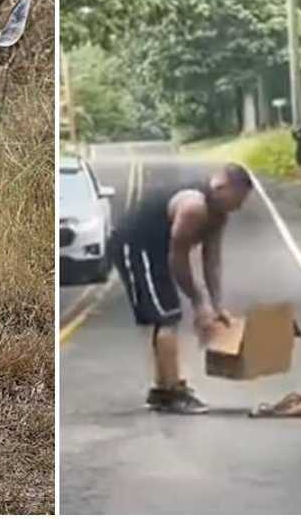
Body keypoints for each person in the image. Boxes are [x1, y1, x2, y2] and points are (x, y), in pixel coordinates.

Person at [109, 162, 254, 414]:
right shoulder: (193, 208)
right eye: (237, 199)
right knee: (167, 316)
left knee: (167, 316)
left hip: (158, 250)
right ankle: (172, 391)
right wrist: (199, 302)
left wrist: (216, 305)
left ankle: (162, 388)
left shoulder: (219, 215)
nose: (239, 207)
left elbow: (212, 260)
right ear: (222, 187)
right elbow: (179, 258)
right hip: (136, 246)